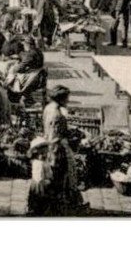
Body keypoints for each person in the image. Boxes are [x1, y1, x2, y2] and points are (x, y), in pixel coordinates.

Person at [42, 84, 86, 215]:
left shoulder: (48, 108)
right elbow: (59, 135)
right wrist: (73, 135)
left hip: (48, 145)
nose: (68, 101)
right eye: (67, 98)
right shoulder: (58, 115)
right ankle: (59, 207)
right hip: (57, 149)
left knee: (53, 178)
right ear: (61, 99)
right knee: (60, 179)